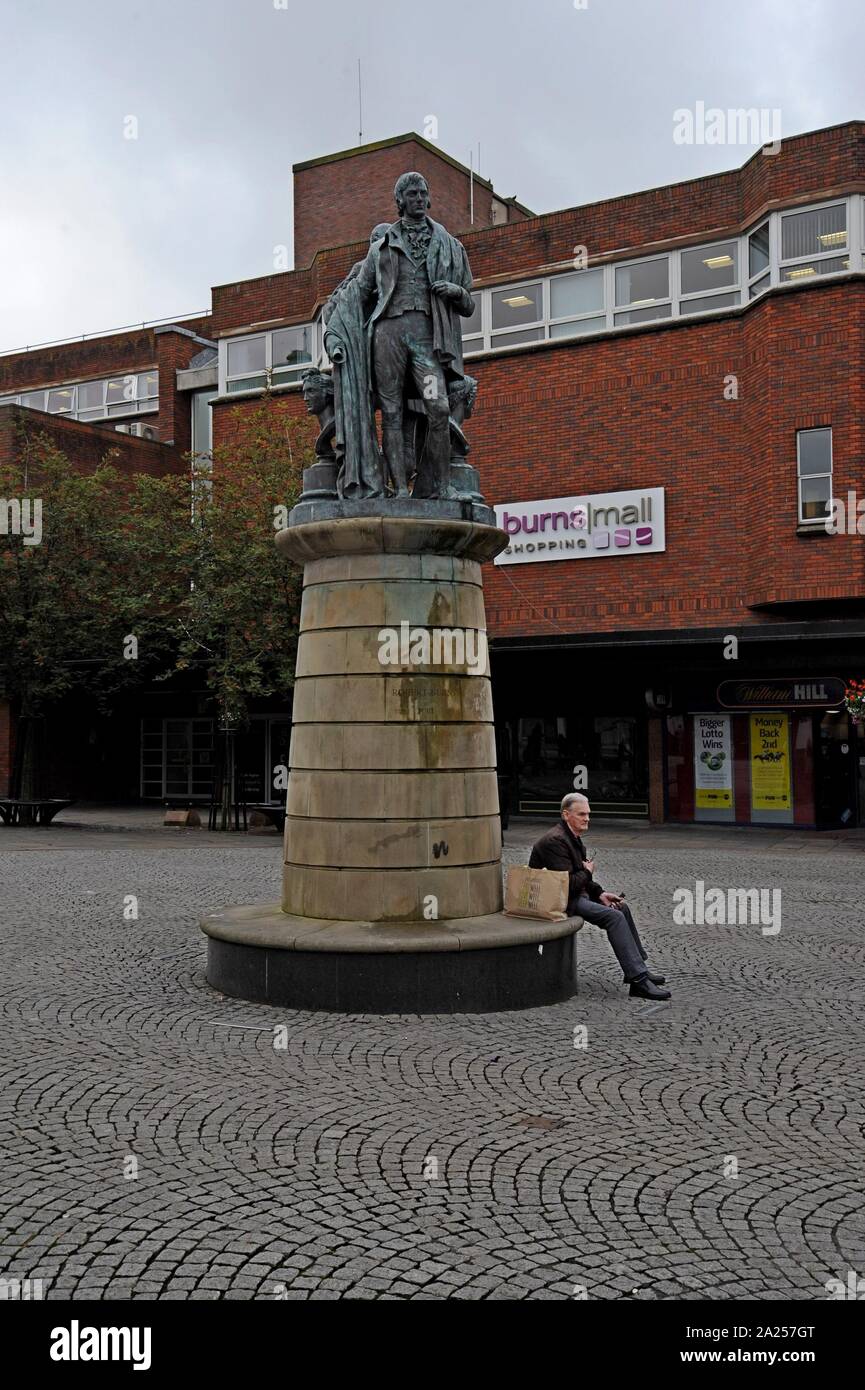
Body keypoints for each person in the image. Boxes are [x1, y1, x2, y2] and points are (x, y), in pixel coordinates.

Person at [529, 793, 671, 1000]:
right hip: (561, 900)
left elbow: (580, 877)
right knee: (613, 917)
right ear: (566, 815)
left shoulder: (572, 837)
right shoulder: (555, 841)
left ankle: (639, 968)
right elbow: (569, 885)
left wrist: (601, 893)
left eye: (588, 814)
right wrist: (588, 871)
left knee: (621, 908)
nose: (587, 818)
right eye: (581, 814)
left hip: (576, 895)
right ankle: (639, 981)